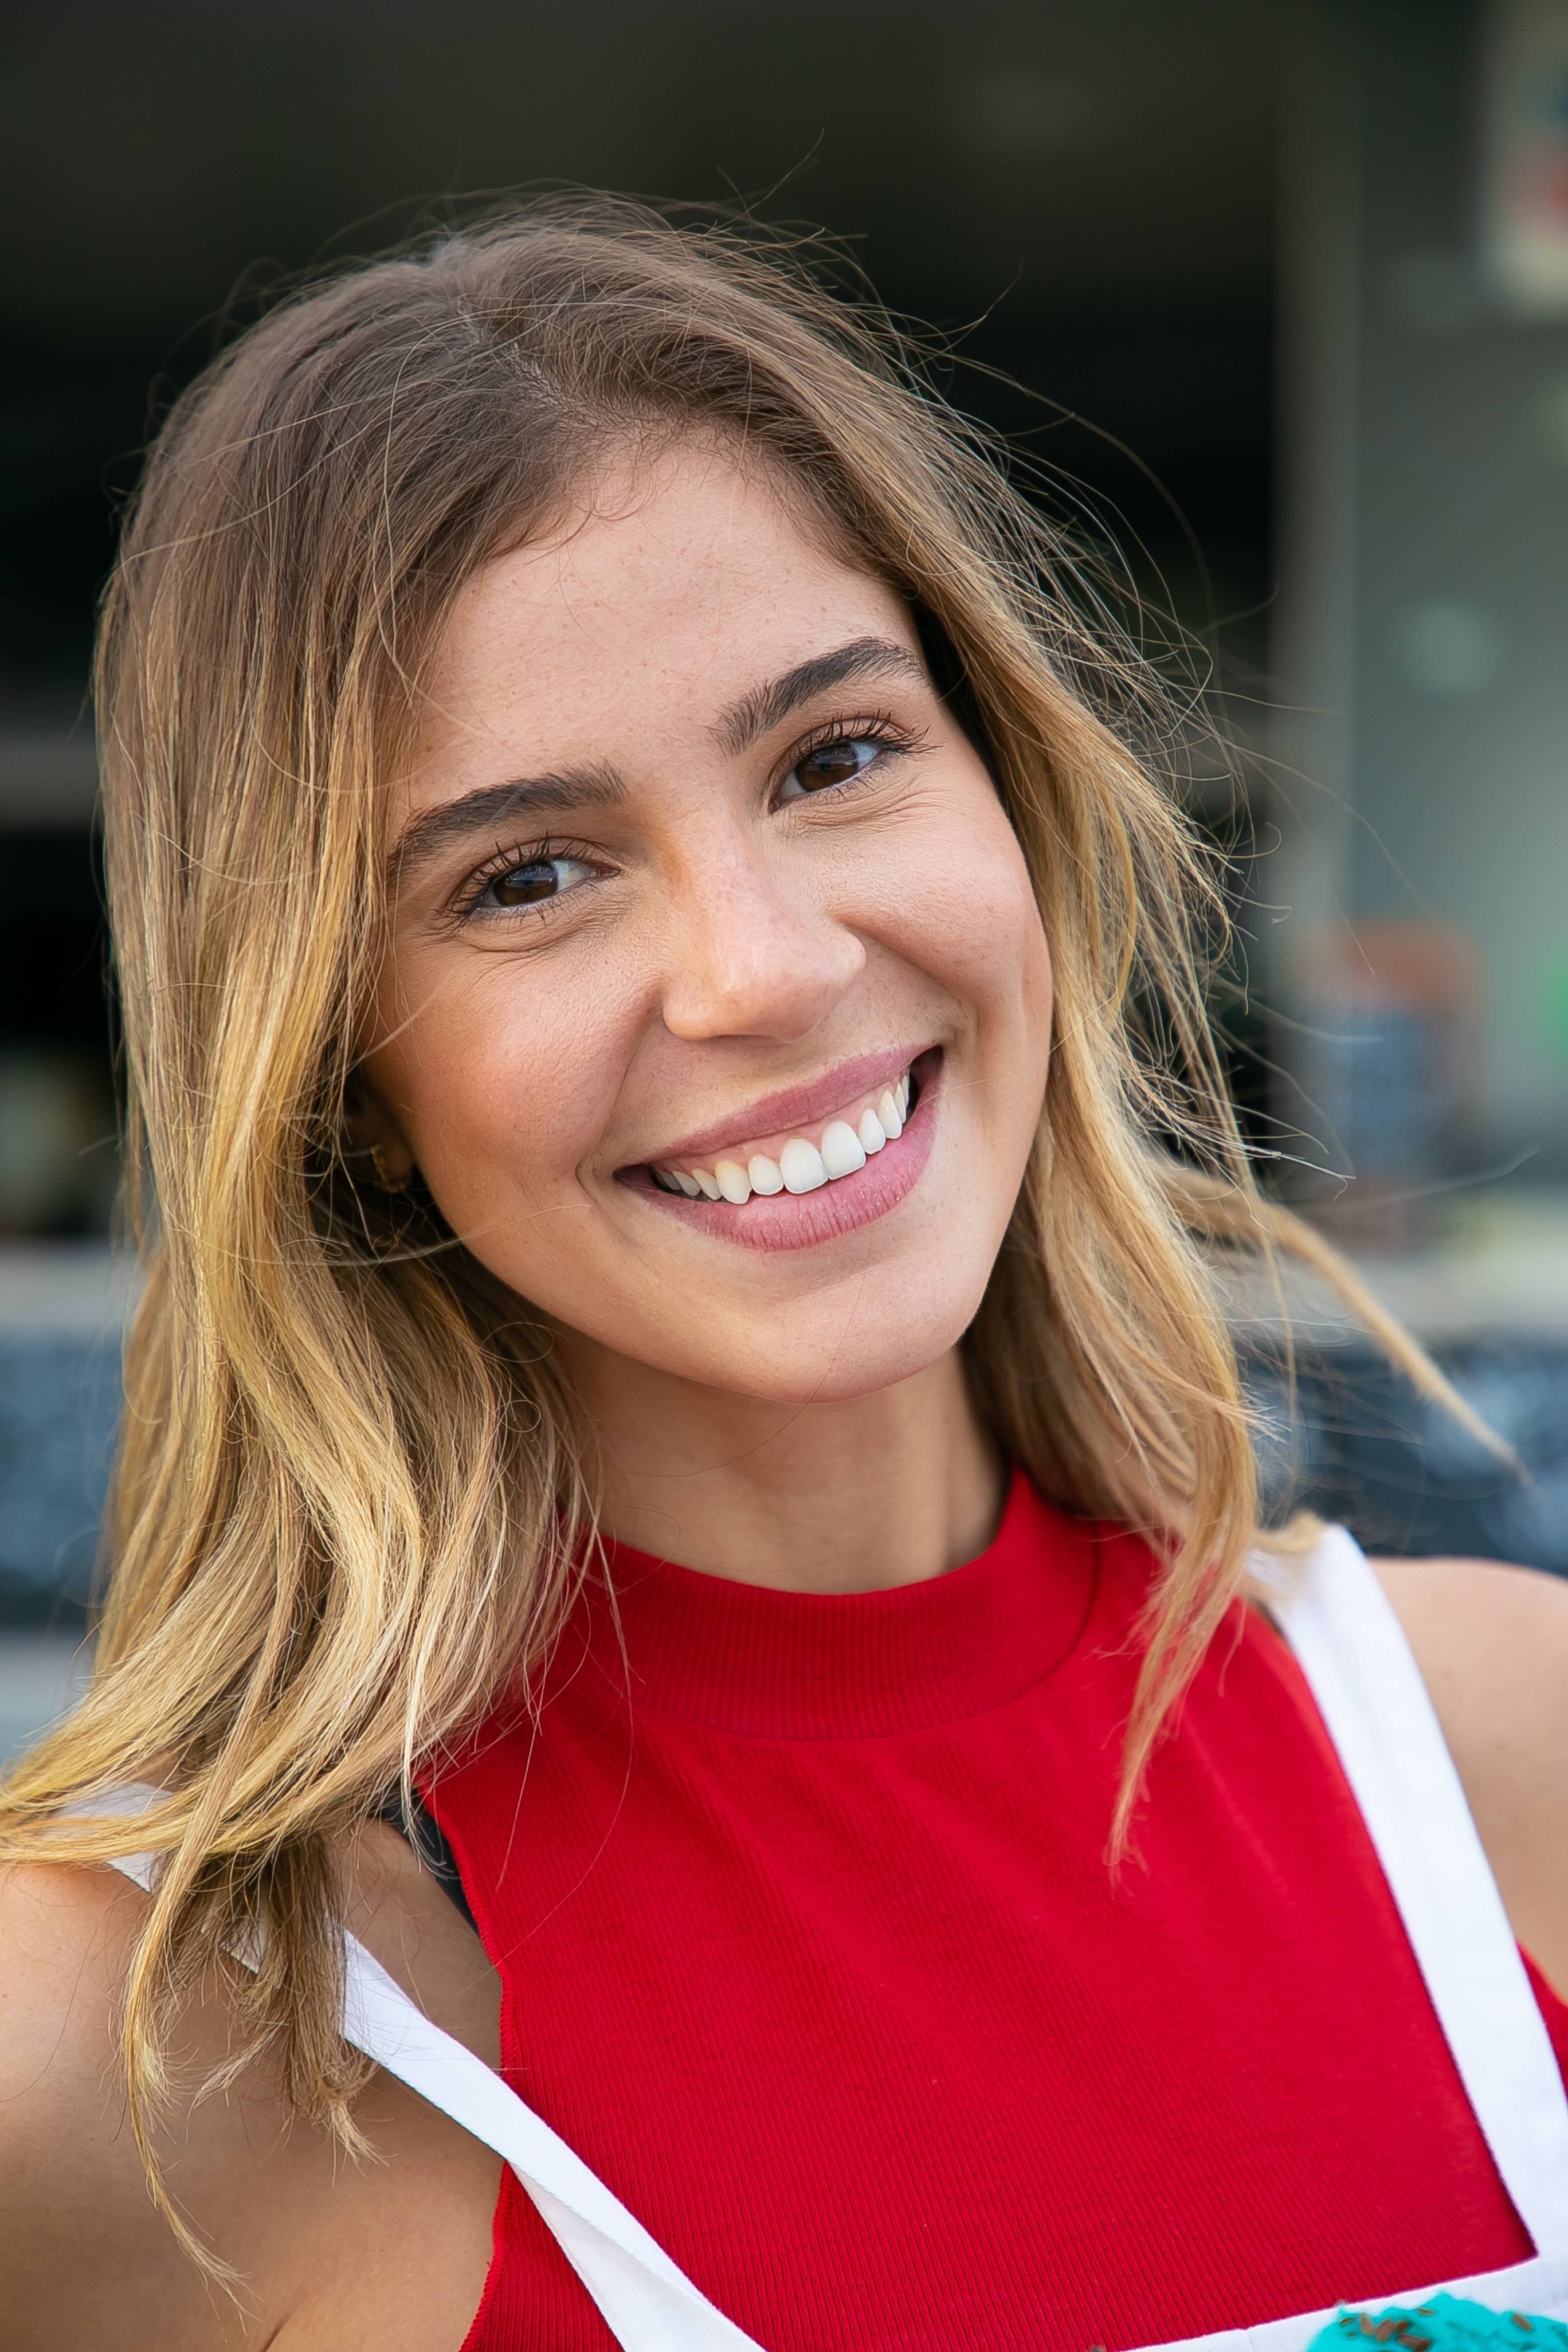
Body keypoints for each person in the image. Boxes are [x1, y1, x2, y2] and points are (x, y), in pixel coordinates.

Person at [0, 198, 1565, 2352]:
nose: (765, 968)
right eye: (528, 876)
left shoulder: (1510, 1750)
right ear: (338, 1077)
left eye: (835, 758)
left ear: (1013, 800)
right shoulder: (130, 2054)